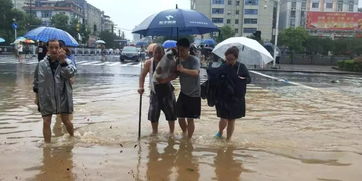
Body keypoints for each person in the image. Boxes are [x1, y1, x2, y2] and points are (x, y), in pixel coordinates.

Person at [33, 39, 77, 143]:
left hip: (63, 96)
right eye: (51, 47)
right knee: (46, 121)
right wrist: (37, 97)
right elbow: (36, 81)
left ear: (60, 49)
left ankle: (72, 138)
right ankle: (47, 146)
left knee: (66, 120)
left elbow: (70, 74)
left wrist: (62, 62)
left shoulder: (68, 62)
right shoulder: (41, 64)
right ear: (47, 49)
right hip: (47, 97)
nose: (54, 50)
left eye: (56, 47)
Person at [138, 44, 177, 135]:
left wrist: (165, 80)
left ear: (163, 53)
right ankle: (154, 132)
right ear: (153, 53)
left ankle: (171, 133)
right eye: (156, 52)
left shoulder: (170, 61)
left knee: (171, 114)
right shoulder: (149, 63)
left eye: (160, 52)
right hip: (154, 92)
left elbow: (175, 74)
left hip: (167, 91)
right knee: (153, 114)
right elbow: (142, 75)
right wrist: (141, 87)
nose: (158, 55)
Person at [214, 46, 251, 140]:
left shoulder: (241, 67)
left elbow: (249, 79)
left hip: (236, 97)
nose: (229, 61)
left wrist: (242, 79)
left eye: (231, 59)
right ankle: (220, 132)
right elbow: (216, 79)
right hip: (224, 96)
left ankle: (228, 138)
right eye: (227, 59)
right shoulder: (223, 66)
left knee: (231, 120)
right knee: (223, 117)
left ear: (236, 58)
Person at [175, 38, 201, 139]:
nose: (180, 52)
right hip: (183, 92)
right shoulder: (178, 60)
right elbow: (176, 74)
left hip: (194, 93)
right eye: (178, 50)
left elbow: (195, 72)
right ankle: (185, 132)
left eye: (182, 50)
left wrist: (182, 69)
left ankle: (189, 139)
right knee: (180, 117)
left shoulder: (194, 60)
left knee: (190, 118)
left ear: (188, 49)